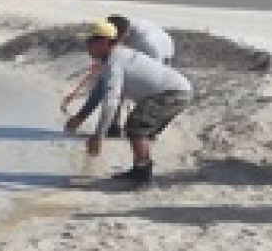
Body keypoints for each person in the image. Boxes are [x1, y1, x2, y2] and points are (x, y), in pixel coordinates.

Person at [66, 19, 192, 189]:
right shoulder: (113, 57)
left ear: (103, 42)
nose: (86, 46)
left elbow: (111, 100)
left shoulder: (115, 62)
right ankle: (140, 169)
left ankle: (143, 175)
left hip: (173, 93)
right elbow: (99, 91)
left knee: (136, 128)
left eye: (89, 42)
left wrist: (99, 135)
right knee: (139, 129)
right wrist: (81, 116)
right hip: (174, 91)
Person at [64, 14, 175, 136]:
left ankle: (148, 129)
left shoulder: (148, 44)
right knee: (115, 80)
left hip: (163, 52)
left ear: (123, 35)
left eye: (114, 40)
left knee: (131, 87)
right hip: (140, 48)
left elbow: (154, 80)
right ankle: (114, 125)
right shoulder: (119, 27)